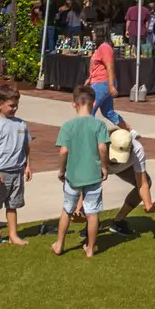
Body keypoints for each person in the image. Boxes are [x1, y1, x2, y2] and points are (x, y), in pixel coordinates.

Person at [52, 86, 109, 257]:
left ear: (73, 104)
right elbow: (102, 147)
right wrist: (104, 166)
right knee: (92, 214)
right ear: (94, 103)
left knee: (67, 210)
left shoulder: (68, 126)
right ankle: (90, 248)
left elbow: (63, 151)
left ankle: (59, 244)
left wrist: (61, 170)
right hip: (93, 175)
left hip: (73, 176)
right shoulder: (99, 124)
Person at [0, 84, 33, 247]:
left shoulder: (21, 124)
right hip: (0, 173)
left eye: (16, 105)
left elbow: (26, 147)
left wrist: (27, 166)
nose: (14, 108)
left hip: (17, 171)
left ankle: (13, 235)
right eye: (11, 105)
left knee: (12, 205)